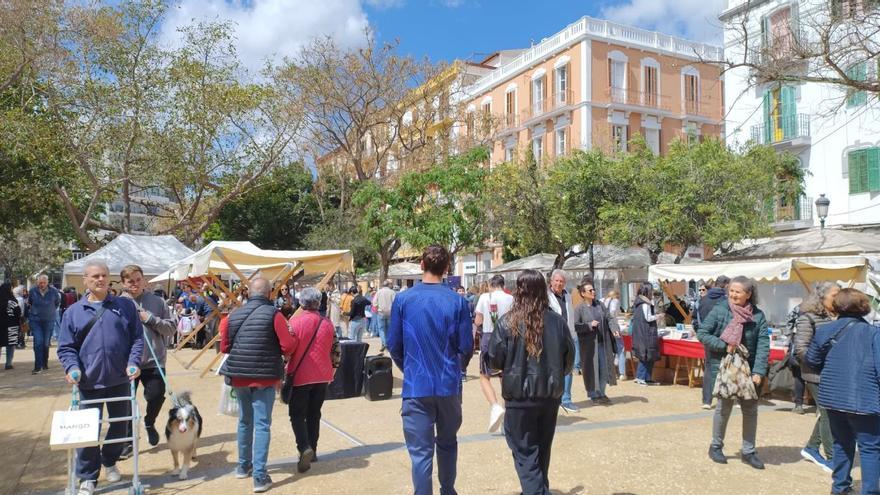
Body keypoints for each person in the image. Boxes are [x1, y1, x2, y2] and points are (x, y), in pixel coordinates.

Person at [387, 245, 473, 495]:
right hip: (448, 384)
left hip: (417, 385)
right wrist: (457, 369)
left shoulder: (403, 299)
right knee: (447, 443)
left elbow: (394, 344)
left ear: (422, 266)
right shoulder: (457, 301)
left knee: (421, 453)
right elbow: (466, 346)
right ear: (447, 268)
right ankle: (448, 490)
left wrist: (409, 368)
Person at [57, 260, 144, 495]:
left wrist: (134, 362)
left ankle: (109, 461)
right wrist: (72, 368)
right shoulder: (73, 313)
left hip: (120, 379)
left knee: (120, 426)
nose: (100, 279)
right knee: (88, 431)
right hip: (88, 381)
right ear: (85, 280)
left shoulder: (125, 307)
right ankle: (88, 477)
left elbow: (137, 338)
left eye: (104, 275)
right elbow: (66, 347)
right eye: (94, 276)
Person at [487, 269, 575, 495]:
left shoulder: (508, 322)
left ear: (519, 290)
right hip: (549, 395)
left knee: (525, 453)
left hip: (519, 398)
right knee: (541, 451)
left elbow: (495, 361)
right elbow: (568, 359)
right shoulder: (557, 322)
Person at [219, 277, 296, 493]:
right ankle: (260, 477)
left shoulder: (233, 315)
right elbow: (288, 345)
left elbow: (224, 347)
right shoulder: (274, 314)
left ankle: (243, 466)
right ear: (270, 293)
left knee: (245, 421)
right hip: (264, 376)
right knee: (262, 424)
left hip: (239, 376)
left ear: (249, 292)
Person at [806, 289, 880, 495]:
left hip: (832, 396)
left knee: (841, 443)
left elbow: (811, 361)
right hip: (865, 398)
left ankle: (839, 487)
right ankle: (870, 491)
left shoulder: (824, 330)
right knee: (870, 448)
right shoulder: (874, 333)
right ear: (864, 307)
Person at [698, 276, 769, 470]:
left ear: (749, 294)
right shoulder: (720, 310)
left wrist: (759, 370)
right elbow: (703, 333)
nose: (733, 294)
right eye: (731, 291)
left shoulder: (758, 316)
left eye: (738, 291)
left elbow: (763, 344)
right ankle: (716, 446)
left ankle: (748, 450)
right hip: (724, 366)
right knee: (724, 407)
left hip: (749, 368)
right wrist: (723, 346)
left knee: (750, 410)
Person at [119, 265, 177, 449]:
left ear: (144, 280)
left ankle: (149, 422)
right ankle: (128, 439)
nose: (135, 284)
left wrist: (150, 319)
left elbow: (170, 328)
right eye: (130, 281)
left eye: (138, 280)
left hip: (154, 360)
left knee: (156, 395)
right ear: (123, 283)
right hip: (126, 362)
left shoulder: (158, 302)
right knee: (125, 402)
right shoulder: (116, 303)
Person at [285, 287, 338, 474]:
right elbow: (336, 350)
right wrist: (333, 370)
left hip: (300, 375)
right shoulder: (328, 323)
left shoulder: (294, 323)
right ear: (319, 302)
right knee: (314, 413)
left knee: (297, 414)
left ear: (301, 302)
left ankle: (304, 447)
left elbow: (287, 350)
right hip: (322, 375)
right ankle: (313, 450)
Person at [794, 281, 840, 473]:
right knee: (828, 413)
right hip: (815, 374)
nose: (838, 298)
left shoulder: (836, 316)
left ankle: (812, 448)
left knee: (827, 412)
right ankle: (833, 458)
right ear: (822, 297)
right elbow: (801, 349)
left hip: (833, 373)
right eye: (834, 295)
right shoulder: (808, 318)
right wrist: (823, 361)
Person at [474, 274, 514, 432]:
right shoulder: (510, 299)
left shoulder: (484, 297)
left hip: (489, 336)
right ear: (503, 285)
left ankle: (495, 406)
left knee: (484, 376)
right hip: (507, 338)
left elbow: (478, 320)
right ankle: (507, 421)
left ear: (491, 284)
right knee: (505, 377)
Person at [575, 281, 620, 404]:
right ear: (583, 293)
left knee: (604, 369)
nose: (593, 292)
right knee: (592, 369)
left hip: (603, 343)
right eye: (590, 290)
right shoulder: (579, 308)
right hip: (589, 346)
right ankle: (594, 394)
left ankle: (602, 393)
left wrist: (614, 329)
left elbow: (610, 318)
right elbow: (576, 326)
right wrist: (589, 325)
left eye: (593, 289)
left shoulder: (600, 305)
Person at [547, 269, 579, 413]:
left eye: (561, 281)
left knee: (568, 367)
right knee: (551, 369)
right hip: (552, 337)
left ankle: (566, 399)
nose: (559, 284)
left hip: (568, 336)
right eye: (557, 281)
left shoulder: (568, 296)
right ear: (551, 282)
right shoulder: (546, 297)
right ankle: (552, 399)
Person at [697, 276, 729, 409]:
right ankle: (728, 398)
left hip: (707, 338)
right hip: (724, 338)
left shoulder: (703, 300)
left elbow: (695, 318)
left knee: (709, 368)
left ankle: (707, 400)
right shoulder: (725, 301)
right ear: (725, 286)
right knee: (728, 368)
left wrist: (701, 332)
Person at [631, 283, 662, 386]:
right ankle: (640, 377)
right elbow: (648, 318)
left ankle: (647, 378)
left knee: (649, 356)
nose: (652, 292)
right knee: (645, 355)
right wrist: (658, 316)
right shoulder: (645, 304)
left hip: (643, 332)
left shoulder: (641, 302)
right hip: (646, 333)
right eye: (651, 290)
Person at [28, 274, 61, 374]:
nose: (42, 284)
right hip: (35, 319)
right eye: (40, 283)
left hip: (49, 319)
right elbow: (30, 302)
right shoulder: (33, 291)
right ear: (37, 282)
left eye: (43, 282)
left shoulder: (54, 291)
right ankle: (37, 366)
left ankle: (44, 363)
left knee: (45, 343)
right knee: (38, 342)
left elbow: (57, 303)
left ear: (47, 282)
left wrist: (50, 311)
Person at [600, 290, 625, 381]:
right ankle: (622, 373)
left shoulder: (602, 300)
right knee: (621, 348)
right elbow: (614, 312)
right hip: (614, 326)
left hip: (604, 327)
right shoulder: (615, 301)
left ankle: (608, 372)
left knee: (607, 349)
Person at [1, 282, 22, 369]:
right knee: (10, 345)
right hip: (11, 326)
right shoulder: (13, 301)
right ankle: (8, 363)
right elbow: (18, 313)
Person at [372, 280, 396, 353]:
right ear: (388, 285)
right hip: (390, 313)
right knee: (388, 329)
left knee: (381, 329)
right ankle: (387, 344)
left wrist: (376, 309)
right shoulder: (392, 292)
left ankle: (384, 343)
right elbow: (395, 302)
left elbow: (374, 302)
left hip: (381, 312)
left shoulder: (379, 292)